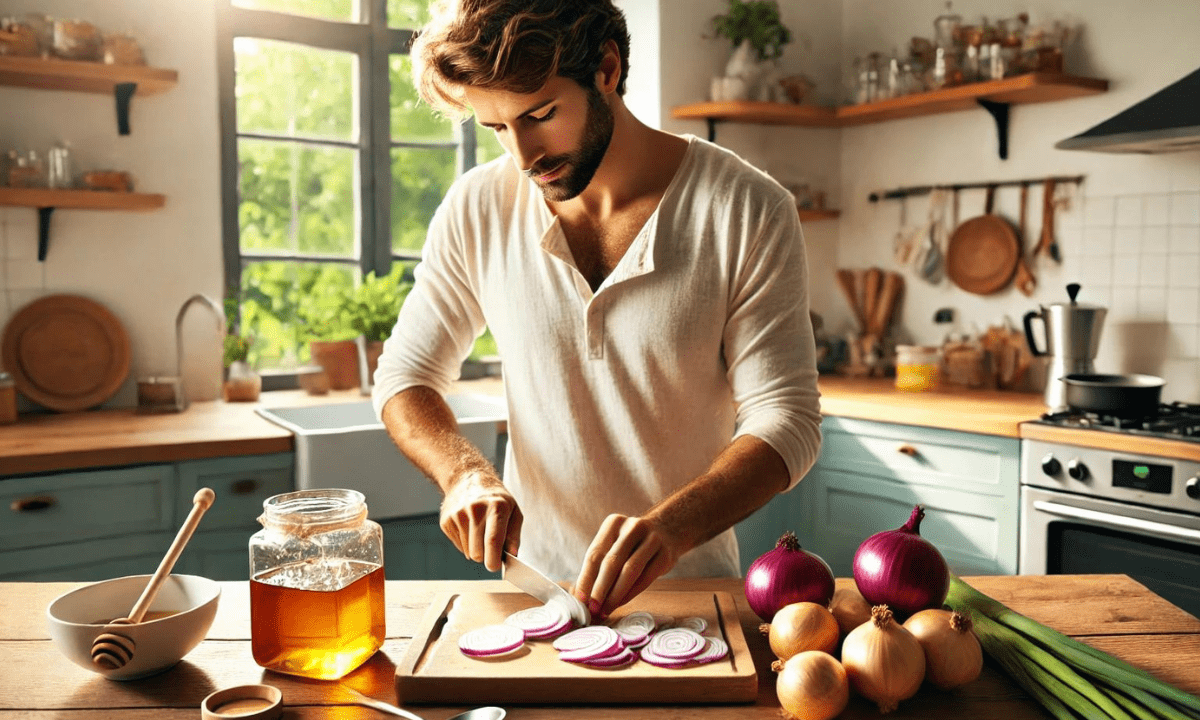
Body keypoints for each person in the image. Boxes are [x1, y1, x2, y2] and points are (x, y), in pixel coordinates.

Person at [372, 0, 822, 619]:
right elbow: (406, 377)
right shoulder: (477, 208)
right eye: (497, 129)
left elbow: (787, 421)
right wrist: (462, 474)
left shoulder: (746, 208)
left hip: (695, 598)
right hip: (534, 598)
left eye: (539, 115)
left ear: (607, 68)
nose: (524, 154)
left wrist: (669, 529)